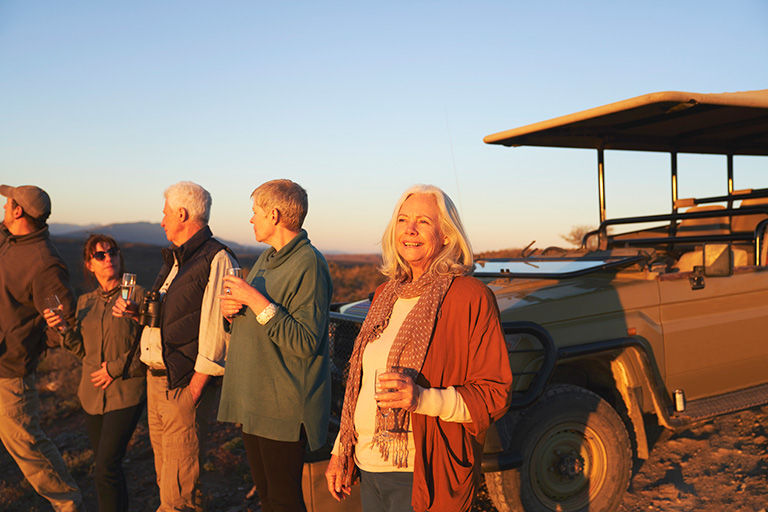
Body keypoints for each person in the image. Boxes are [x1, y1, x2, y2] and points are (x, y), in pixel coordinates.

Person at [325, 184, 513, 512]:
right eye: (402, 220)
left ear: (447, 236)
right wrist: (340, 451)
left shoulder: (469, 297)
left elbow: (494, 394)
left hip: (424, 470)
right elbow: (363, 385)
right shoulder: (386, 293)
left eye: (423, 222)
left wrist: (422, 399)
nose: (410, 229)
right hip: (369, 464)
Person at [114, 181, 237, 511]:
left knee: (180, 493)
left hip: (183, 385)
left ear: (182, 213)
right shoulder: (175, 261)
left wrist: (193, 392)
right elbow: (177, 318)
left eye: (166, 212)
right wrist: (139, 312)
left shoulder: (217, 258)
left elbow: (217, 331)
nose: (162, 220)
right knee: (165, 480)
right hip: (157, 382)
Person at [217, 179, 332, 512]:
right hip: (257, 401)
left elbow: (306, 341)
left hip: (283, 406)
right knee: (269, 499)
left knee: (284, 502)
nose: (251, 219)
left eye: (255, 212)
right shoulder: (268, 258)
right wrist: (232, 314)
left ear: (275, 214)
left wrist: (253, 298)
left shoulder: (309, 263)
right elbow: (258, 317)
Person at [44, 234, 146, 512]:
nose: (109, 258)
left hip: (126, 393)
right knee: (107, 468)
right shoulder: (86, 301)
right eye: (100, 255)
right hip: (91, 396)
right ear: (89, 265)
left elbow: (146, 348)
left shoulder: (136, 295)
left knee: (105, 467)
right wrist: (63, 329)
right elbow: (83, 352)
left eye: (113, 252)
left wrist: (113, 370)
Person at [0, 184, 84, 511]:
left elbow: (58, 318)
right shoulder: (8, 238)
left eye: (8, 203)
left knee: (27, 447)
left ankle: (69, 505)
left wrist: (24, 344)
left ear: (19, 211)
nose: (4, 207)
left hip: (10, 372)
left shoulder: (43, 263)